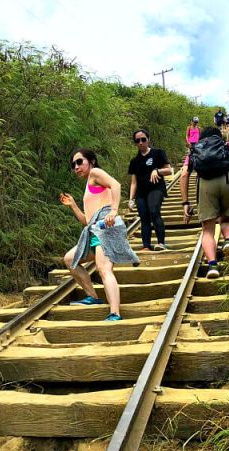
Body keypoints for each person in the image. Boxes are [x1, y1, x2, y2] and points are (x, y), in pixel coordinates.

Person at [60, 149, 139, 321]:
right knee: (70, 259)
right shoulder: (89, 184)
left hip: (105, 229)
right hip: (94, 230)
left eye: (79, 162)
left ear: (92, 161)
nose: (76, 167)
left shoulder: (95, 173)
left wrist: (114, 210)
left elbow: (116, 185)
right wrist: (73, 205)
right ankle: (93, 297)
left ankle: (115, 313)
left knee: (104, 269)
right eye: (73, 165)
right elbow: (87, 221)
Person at [180, 127, 229, 279]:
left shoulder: (195, 150)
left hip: (206, 183)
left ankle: (212, 265)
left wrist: (185, 202)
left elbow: (184, 174)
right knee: (226, 219)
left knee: (208, 229)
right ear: (220, 138)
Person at [127, 129, 173, 252]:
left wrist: (157, 171)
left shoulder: (158, 153)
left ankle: (161, 243)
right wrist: (131, 199)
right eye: (137, 141)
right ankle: (146, 245)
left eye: (143, 139)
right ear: (135, 143)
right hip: (141, 192)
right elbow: (134, 182)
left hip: (156, 188)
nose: (141, 142)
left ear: (148, 140)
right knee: (144, 217)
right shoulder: (134, 161)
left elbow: (169, 170)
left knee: (154, 211)